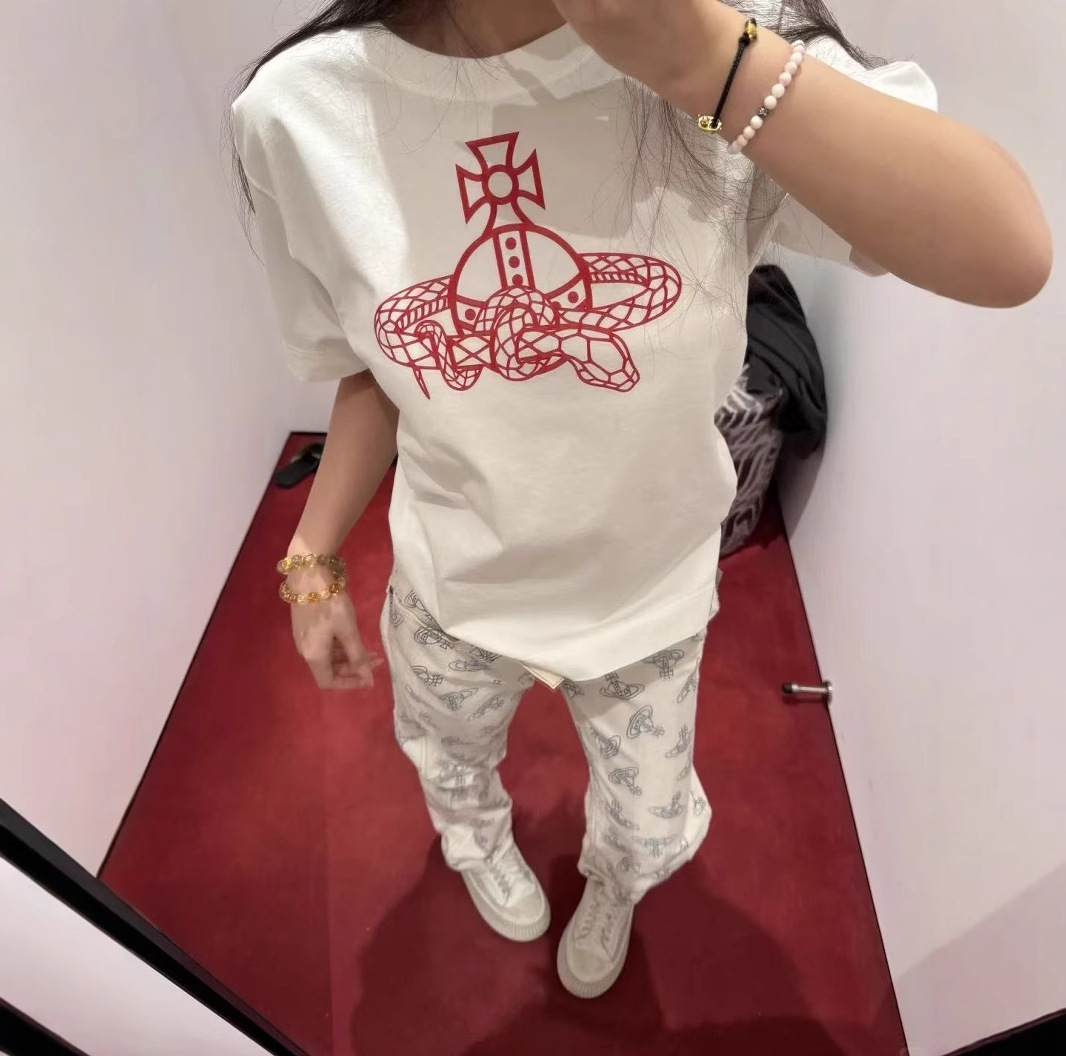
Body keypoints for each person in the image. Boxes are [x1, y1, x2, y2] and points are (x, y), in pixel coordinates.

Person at [231, 0, 1050, 998]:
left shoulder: (728, 42)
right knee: (447, 758)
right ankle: (477, 842)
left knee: (647, 819)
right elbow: (372, 367)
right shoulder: (299, 111)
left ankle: (616, 881)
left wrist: (708, 61)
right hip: (453, 587)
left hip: (646, 596)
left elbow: (1007, 251)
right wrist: (312, 557)